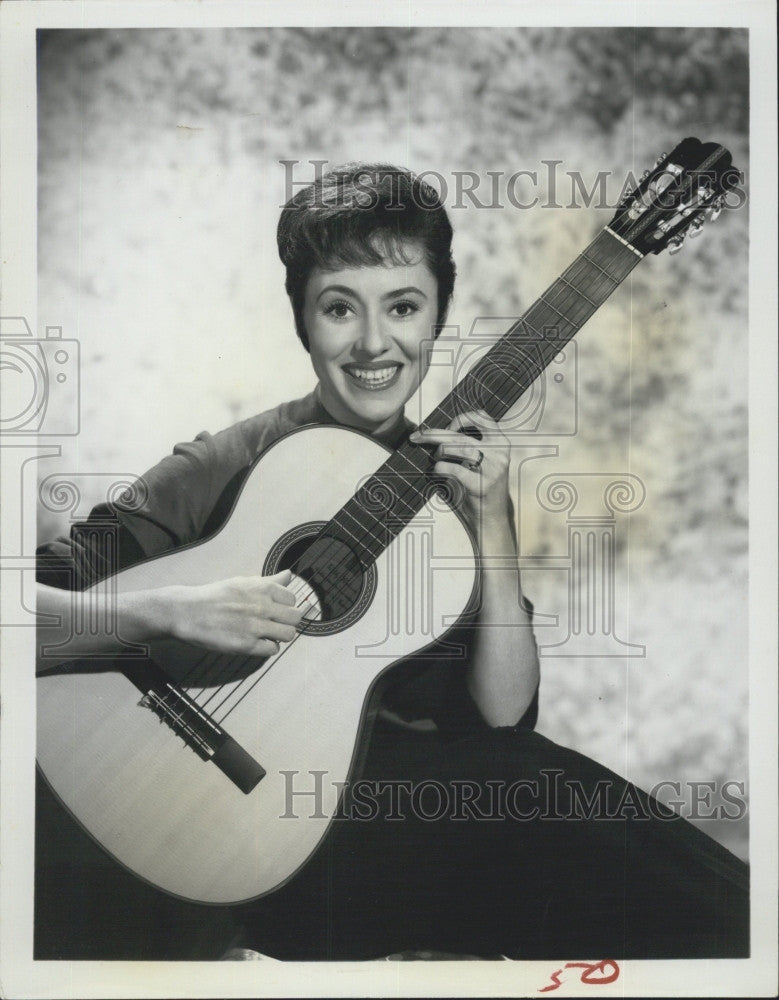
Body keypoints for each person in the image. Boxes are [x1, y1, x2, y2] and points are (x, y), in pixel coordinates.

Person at [35, 163, 749, 961]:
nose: (374, 344)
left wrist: (491, 530)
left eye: (402, 307)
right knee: (551, 805)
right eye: (340, 308)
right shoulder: (225, 463)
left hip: (366, 839)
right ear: (303, 320)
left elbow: (503, 720)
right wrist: (172, 610)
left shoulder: (461, 484)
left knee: (553, 805)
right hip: (187, 809)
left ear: (438, 314)